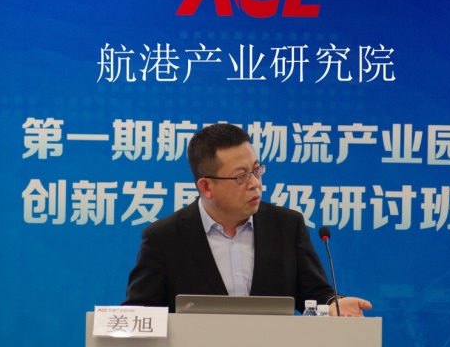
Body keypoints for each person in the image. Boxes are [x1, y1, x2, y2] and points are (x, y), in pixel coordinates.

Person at [124, 123, 372, 316]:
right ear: (207, 187)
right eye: (241, 176)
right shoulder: (164, 239)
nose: (255, 183)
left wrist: (334, 304)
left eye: (256, 170)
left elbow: (316, 293)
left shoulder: (287, 227)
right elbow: (140, 313)